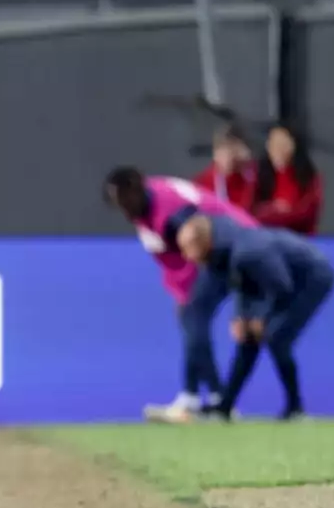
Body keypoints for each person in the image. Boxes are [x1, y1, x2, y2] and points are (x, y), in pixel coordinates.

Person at [103, 167, 257, 424]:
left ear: (138, 189)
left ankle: (218, 402)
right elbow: (171, 259)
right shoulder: (146, 208)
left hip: (238, 245)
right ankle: (194, 398)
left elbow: (198, 243)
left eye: (126, 201)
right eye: (119, 204)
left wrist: (186, 294)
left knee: (193, 314)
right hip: (223, 248)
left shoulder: (171, 213)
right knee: (191, 316)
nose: (125, 210)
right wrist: (181, 292)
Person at [176, 214, 334, 420]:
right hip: (279, 280)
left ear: (201, 243)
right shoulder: (220, 253)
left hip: (312, 277)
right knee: (248, 339)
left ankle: (296, 408)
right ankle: (224, 408)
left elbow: (282, 286)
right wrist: (241, 317)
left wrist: (263, 316)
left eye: (186, 248)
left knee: (277, 338)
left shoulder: (248, 251)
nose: (185, 256)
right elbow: (242, 284)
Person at [251, 123, 322, 236]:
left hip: (301, 239)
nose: (277, 149)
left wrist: (279, 213)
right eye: (273, 143)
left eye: (283, 143)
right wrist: (273, 209)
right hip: (265, 240)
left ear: (294, 145)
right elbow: (248, 212)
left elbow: (306, 214)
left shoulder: (308, 176)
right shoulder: (257, 174)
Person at [193, 125, 256, 209]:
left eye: (234, 151)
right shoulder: (201, 185)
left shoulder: (256, 178)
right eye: (224, 150)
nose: (230, 157)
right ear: (215, 154)